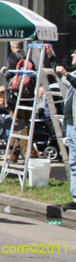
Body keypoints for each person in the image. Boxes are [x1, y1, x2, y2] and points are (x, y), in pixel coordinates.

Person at [54, 49, 76, 212]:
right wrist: (51, 57)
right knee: (73, 163)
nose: (73, 56)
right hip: (70, 123)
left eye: (75, 54)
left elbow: (69, 78)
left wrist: (67, 74)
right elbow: (60, 75)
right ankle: (75, 197)